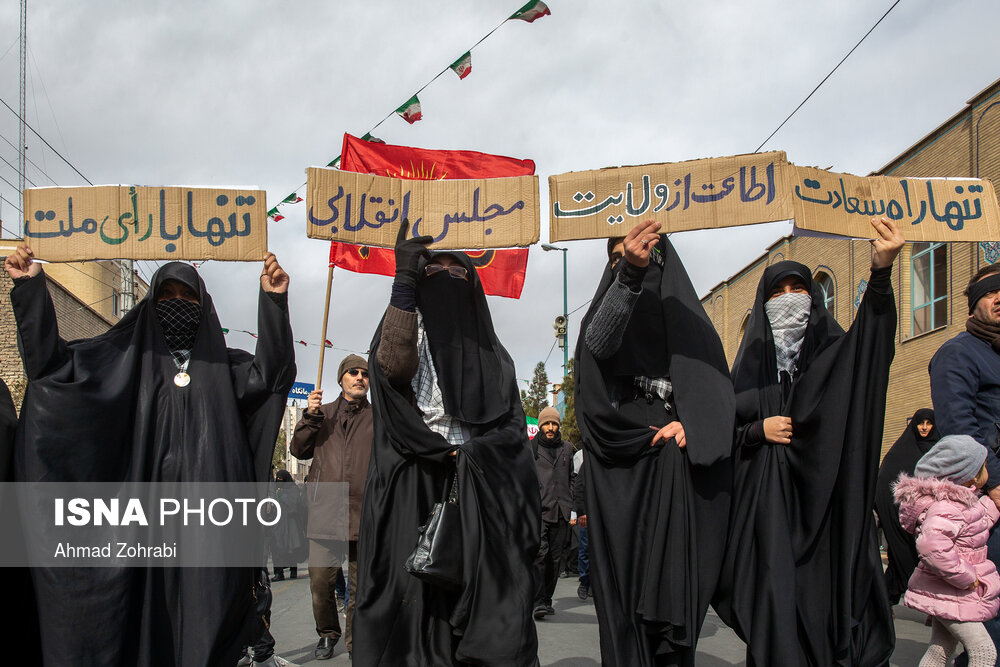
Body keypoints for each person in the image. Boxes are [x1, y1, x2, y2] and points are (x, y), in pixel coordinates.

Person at [5, 245, 296, 667]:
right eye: (167, 296)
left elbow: (273, 376)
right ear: (149, 304)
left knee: (208, 630)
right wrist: (32, 287)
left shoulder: (228, 369)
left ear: (203, 305)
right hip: (137, 534)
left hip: (207, 532)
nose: (177, 305)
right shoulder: (120, 360)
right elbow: (52, 370)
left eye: (187, 297)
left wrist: (273, 300)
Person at [714, 216, 904, 666]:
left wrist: (881, 273)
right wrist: (758, 431)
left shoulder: (833, 352)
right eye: (777, 294)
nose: (788, 301)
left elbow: (869, 350)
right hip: (768, 518)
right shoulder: (746, 371)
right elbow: (721, 433)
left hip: (825, 514)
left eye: (798, 290)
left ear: (813, 297)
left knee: (822, 615)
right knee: (773, 615)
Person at [353, 221, 540, 666]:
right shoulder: (407, 329)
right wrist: (404, 285)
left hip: (477, 490)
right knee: (411, 602)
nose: (446, 279)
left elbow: (512, 431)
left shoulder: (494, 355)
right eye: (433, 273)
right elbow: (391, 372)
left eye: (458, 272)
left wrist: (472, 454)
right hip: (412, 483)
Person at [575, 219, 735, 666]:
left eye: (649, 253)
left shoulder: (688, 320)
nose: (637, 258)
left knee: (671, 588)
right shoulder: (621, 285)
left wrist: (692, 424)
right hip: (619, 453)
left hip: (675, 454)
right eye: (620, 254)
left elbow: (715, 389)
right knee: (623, 591)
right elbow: (599, 346)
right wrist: (628, 273)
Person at [930, 261, 1000, 659]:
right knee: (987, 615)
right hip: (986, 506)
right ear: (975, 304)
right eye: (991, 292)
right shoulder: (957, 353)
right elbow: (961, 430)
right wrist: (995, 482)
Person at [290, 353, 373, 660]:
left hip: (363, 513)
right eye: (353, 372)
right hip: (325, 511)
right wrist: (309, 417)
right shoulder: (321, 414)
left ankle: (355, 640)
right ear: (341, 379)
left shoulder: (377, 418)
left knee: (359, 585)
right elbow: (298, 450)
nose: (360, 377)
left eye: (364, 373)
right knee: (321, 582)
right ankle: (328, 633)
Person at [894, 435, 1000, 667]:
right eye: (984, 466)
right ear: (970, 474)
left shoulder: (963, 503)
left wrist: (993, 503)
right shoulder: (947, 507)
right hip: (950, 590)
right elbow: (931, 546)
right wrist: (967, 577)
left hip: (948, 593)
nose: (988, 471)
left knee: (941, 649)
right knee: (984, 651)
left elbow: (979, 522)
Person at [876, 409, 941, 607]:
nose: (924, 427)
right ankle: (927, 605)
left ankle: (889, 599)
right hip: (898, 514)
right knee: (902, 554)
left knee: (924, 558)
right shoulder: (901, 450)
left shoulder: (939, 450)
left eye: (929, 423)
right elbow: (884, 480)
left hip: (929, 517)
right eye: (920, 423)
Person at [530, 405, 575, 619]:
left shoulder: (567, 448)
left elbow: (573, 477)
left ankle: (547, 599)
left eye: (553, 423)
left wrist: (571, 500)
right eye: (546, 423)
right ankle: (537, 601)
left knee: (555, 560)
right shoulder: (531, 448)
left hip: (561, 511)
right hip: (539, 511)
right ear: (540, 426)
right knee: (539, 555)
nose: (550, 427)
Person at [269, 469, 307, 581]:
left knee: (291, 548)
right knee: (278, 548)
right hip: (277, 523)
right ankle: (279, 573)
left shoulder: (292, 488)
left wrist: (284, 497)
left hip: (290, 524)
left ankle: (293, 570)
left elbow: (295, 505)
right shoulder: (275, 489)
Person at [573, 450, 591, 602]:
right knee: (585, 548)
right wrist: (581, 512)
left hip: (604, 513)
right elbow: (579, 487)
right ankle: (585, 582)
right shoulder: (587, 462)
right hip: (588, 515)